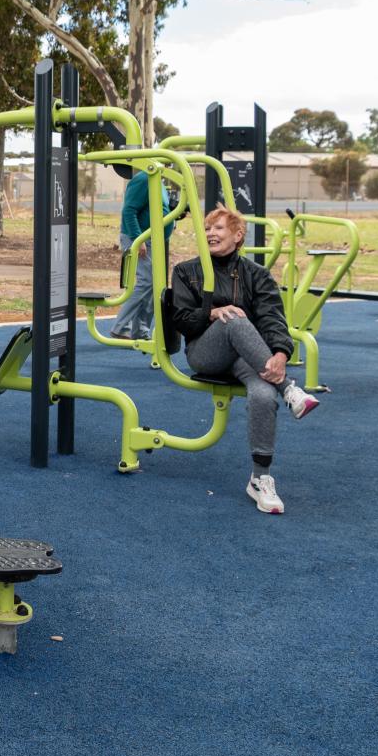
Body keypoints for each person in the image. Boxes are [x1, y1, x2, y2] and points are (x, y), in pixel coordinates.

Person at [170, 207, 322, 515]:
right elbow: (181, 319)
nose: (211, 233)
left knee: (264, 393)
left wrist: (280, 354)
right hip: (205, 352)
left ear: (238, 236)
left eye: (219, 228)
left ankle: (260, 478)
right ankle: (291, 388)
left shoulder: (257, 274)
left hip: (247, 357)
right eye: (207, 228)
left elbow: (272, 319)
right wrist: (212, 312)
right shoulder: (186, 271)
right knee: (234, 318)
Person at [111, 170, 174, 341]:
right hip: (140, 239)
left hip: (153, 239)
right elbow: (129, 211)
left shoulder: (157, 180)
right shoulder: (144, 178)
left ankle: (140, 330)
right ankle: (120, 327)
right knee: (147, 281)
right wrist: (137, 239)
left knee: (154, 285)